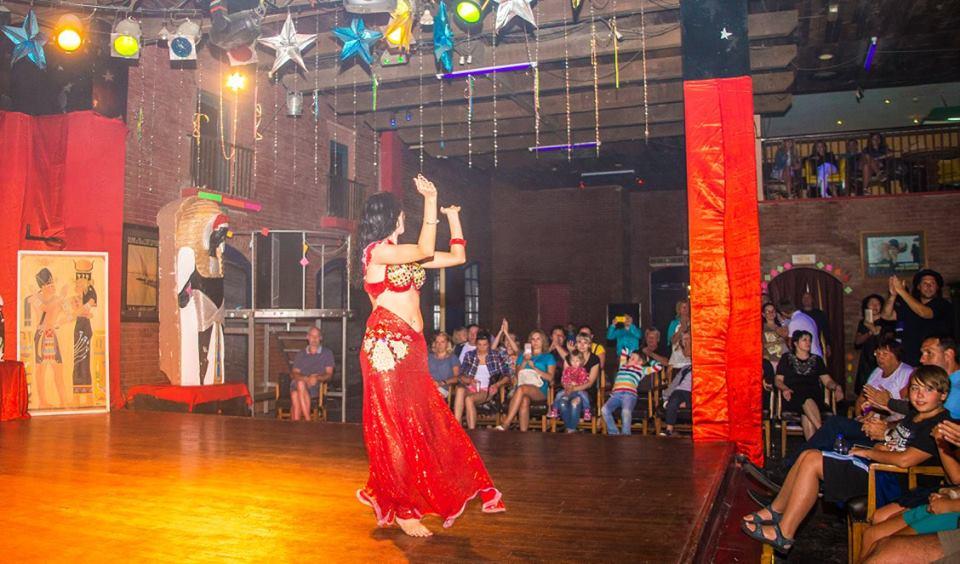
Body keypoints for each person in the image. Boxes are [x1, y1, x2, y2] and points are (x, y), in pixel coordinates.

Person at [356, 177, 504, 537]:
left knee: (424, 420)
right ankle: (404, 509)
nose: (403, 216)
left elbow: (457, 257)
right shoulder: (376, 252)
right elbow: (424, 247)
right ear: (389, 217)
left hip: (413, 346)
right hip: (386, 347)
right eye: (400, 212)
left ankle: (405, 497)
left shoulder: (405, 255)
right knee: (395, 425)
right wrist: (431, 199)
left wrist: (452, 217)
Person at [741, 365, 951, 553]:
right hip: (879, 467)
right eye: (914, 388)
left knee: (813, 460)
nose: (919, 395)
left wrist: (869, 452)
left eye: (928, 390)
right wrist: (882, 442)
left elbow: (905, 460)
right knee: (807, 455)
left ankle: (784, 533)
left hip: (888, 480)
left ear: (943, 395)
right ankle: (776, 511)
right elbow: (896, 443)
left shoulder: (939, 424)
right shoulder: (915, 416)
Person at [774, 330, 842, 439]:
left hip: (814, 395)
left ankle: (813, 445)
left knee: (807, 412)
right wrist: (785, 388)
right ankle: (823, 432)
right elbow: (778, 380)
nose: (808, 343)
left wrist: (837, 387)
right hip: (793, 395)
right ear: (795, 343)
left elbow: (827, 381)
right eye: (804, 340)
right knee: (805, 399)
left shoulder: (817, 360)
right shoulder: (786, 358)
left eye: (810, 340)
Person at [881, 269, 953, 367]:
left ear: (937, 287)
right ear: (918, 287)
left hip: (932, 360)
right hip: (908, 360)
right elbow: (886, 315)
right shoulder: (909, 304)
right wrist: (893, 296)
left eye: (932, 283)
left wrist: (902, 291)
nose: (928, 286)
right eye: (925, 283)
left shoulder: (942, 304)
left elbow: (924, 313)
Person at [496, 330, 556, 432]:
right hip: (523, 385)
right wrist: (524, 361)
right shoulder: (522, 356)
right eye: (533, 339)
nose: (535, 341)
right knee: (524, 400)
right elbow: (517, 375)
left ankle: (506, 423)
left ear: (543, 341)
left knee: (521, 389)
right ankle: (523, 433)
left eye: (538, 339)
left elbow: (550, 377)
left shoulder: (548, 357)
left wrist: (534, 368)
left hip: (539, 389)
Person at [454, 330, 512, 429]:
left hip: (487, 389)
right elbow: (461, 375)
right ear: (476, 344)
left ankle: (472, 431)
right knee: (460, 390)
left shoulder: (495, 356)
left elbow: (507, 375)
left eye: (485, 345)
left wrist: (497, 385)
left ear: (489, 344)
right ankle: (457, 426)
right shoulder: (469, 355)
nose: (482, 347)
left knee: (469, 399)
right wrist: (470, 380)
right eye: (479, 345)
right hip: (471, 387)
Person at [602, 348, 663, 435]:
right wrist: (631, 352)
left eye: (633, 358)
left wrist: (648, 360)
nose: (630, 359)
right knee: (604, 410)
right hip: (616, 395)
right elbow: (624, 351)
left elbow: (659, 366)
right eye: (630, 357)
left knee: (626, 411)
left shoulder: (642, 369)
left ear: (640, 362)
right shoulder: (622, 365)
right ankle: (614, 433)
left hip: (629, 394)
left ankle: (626, 434)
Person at [289, 326, 335, 421]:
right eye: (312, 336)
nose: (314, 339)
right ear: (307, 337)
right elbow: (294, 373)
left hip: (315, 385)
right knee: (300, 383)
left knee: (295, 395)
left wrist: (317, 378)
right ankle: (308, 420)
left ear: (320, 338)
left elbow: (329, 374)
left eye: (317, 336)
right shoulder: (301, 354)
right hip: (299, 382)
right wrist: (306, 379)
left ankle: (297, 425)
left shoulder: (327, 353)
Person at [855, 293, 897, 395]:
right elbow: (857, 341)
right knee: (865, 385)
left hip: (884, 357)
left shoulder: (887, 321)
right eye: (871, 304)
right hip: (867, 357)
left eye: (877, 304)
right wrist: (870, 332)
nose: (874, 306)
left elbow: (891, 340)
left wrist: (877, 331)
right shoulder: (864, 322)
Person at [661, 331, 693, 437]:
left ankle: (682, 404)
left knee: (696, 401)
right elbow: (675, 383)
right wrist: (666, 396)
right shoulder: (685, 368)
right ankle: (669, 430)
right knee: (674, 399)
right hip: (680, 390)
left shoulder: (702, 369)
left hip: (693, 392)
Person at [427, 331, 460, 400]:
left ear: (447, 343)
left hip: (443, 387)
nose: (439, 345)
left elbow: (457, 378)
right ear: (434, 343)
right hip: (428, 385)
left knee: (430, 396)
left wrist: (441, 383)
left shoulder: (452, 358)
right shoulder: (429, 357)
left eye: (442, 342)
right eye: (437, 342)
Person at [801, 290, 831, 361]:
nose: (806, 300)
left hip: (816, 346)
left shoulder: (819, 314)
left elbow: (826, 330)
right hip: (801, 347)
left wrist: (828, 345)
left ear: (812, 300)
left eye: (808, 298)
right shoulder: (799, 314)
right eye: (804, 298)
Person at [762, 302, 789, 369]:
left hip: (784, 359)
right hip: (772, 360)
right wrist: (777, 341)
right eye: (768, 311)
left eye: (773, 311)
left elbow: (787, 338)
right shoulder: (762, 328)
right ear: (763, 314)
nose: (771, 313)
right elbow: (762, 345)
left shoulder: (780, 326)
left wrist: (782, 321)